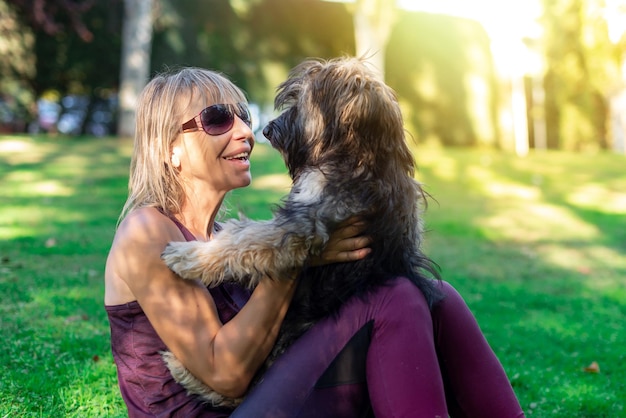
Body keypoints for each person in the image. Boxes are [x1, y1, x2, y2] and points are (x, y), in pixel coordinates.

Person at [104, 66, 524, 417]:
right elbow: (225, 374)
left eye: (243, 115)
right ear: (169, 148)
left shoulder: (217, 238)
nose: (246, 132)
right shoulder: (148, 232)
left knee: (436, 296)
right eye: (217, 119)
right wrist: (296, 255)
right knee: (394, 296)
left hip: (262, 398)